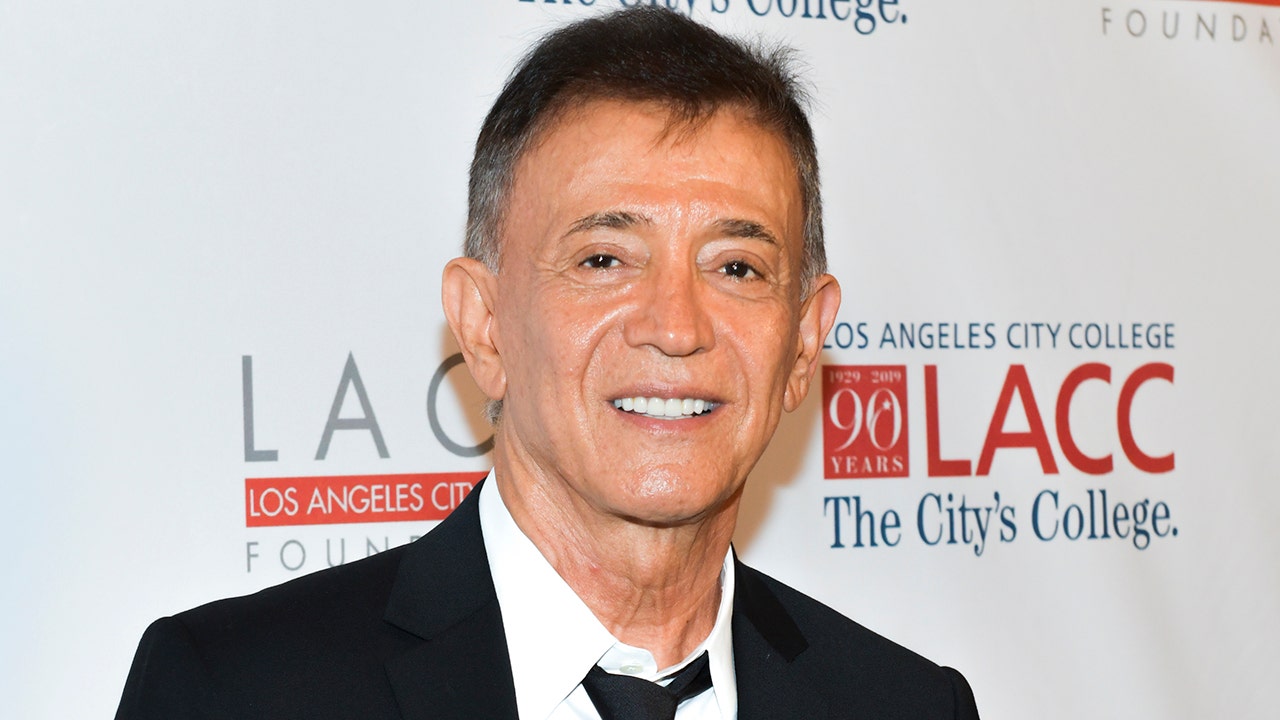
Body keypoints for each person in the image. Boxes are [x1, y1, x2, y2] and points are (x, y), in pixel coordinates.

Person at [116, 7, 979, 719]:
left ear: (803, 341)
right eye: (605, 258)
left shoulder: (905, 705)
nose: (676, 327)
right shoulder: (235, 691)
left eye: (737, 268)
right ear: (484, 325)